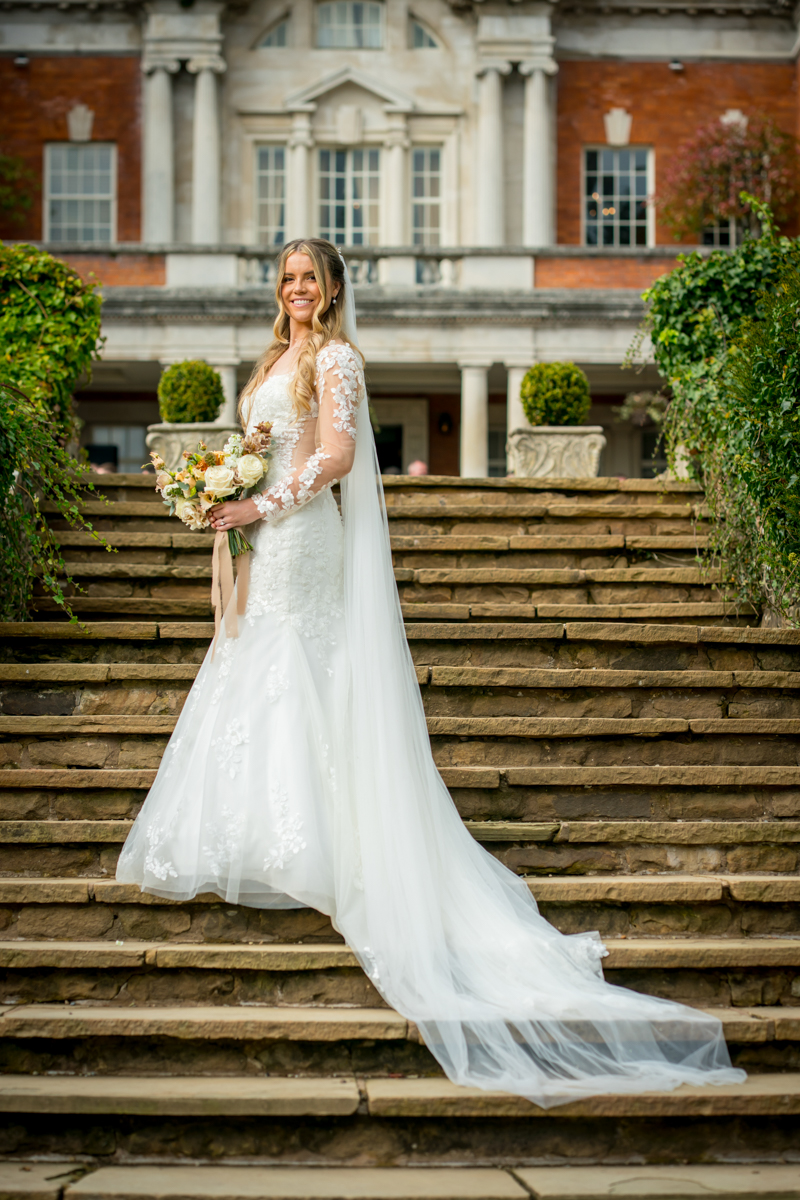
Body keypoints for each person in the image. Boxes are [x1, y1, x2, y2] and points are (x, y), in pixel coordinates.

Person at [117, 238, 745, 1107]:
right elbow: (263, 441)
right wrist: (220, 485)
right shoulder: (272, 357)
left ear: (333, 289)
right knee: (256, 665)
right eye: (289, 277)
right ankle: (260, 833)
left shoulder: (336, 358)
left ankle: (324, 843)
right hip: (268, 536)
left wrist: (259, 500)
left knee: (302, 667)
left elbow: (335, 456)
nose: (299, 289)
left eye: (312, 278)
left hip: (305, 535)